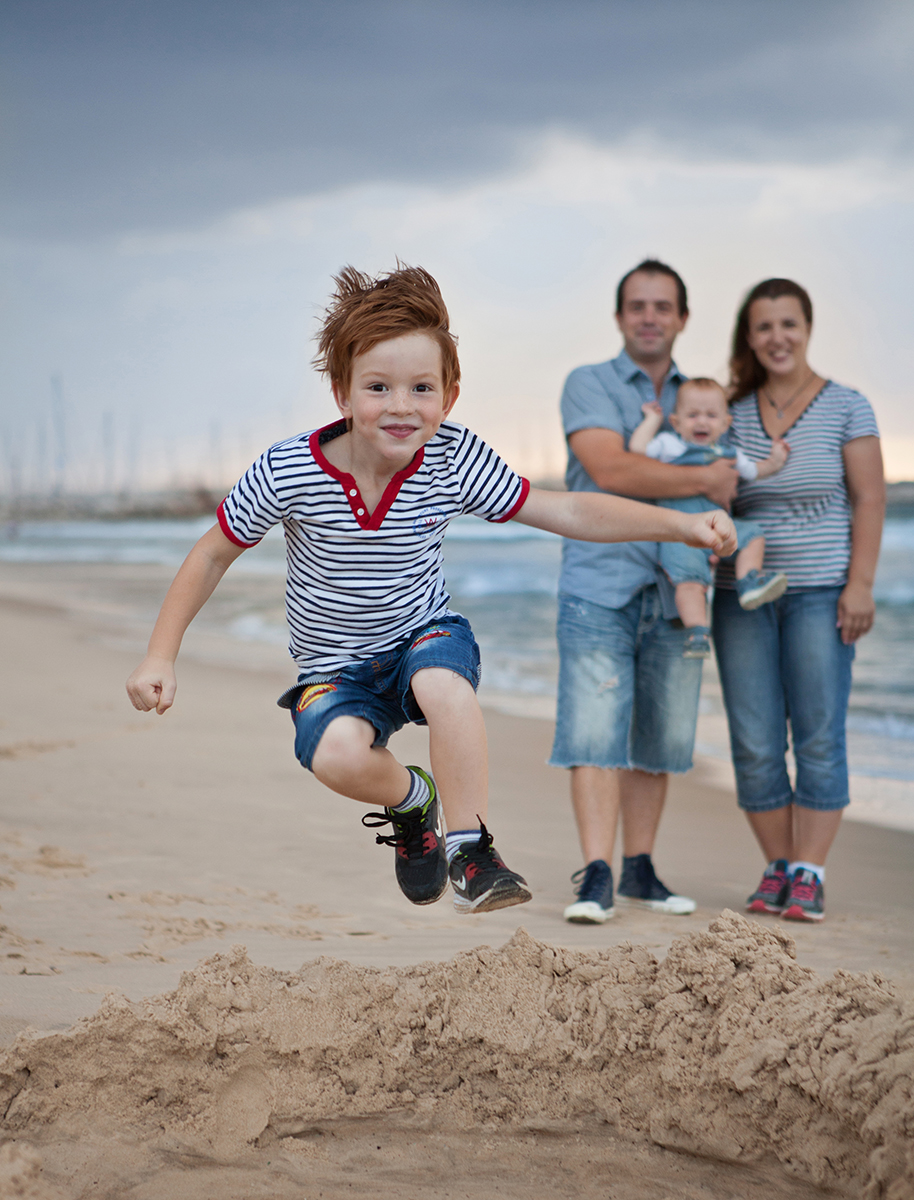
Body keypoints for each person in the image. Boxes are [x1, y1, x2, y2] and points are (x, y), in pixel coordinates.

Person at [126, 265, 736, 918]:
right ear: (342, 392)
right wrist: (160, 654)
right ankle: (415, 806)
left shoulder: (452, 457)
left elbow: (568, 512)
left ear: (449, 393)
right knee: (335, 756)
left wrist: (683, 524)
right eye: (378, 387)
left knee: (444, 686)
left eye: (422, 388)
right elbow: (214, 551)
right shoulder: (288, 470)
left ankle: (472, 849)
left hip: (423, 632)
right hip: (335, 667)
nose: (400, 406)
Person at [552, 258, 740, 925]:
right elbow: (607, 468)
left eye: (664, 306)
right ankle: (596, 872)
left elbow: (732, 480)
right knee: (594, 733)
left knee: (658, 739)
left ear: (683, 318)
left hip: (679, 589)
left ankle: (640, 869)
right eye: (638, 305)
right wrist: (701, 478)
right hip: (599, 583)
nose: (651, 316)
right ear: (619, 316)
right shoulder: (590, 383)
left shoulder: (707, 397)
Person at [712, 278, 885, 923]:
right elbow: (713, 490)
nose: (777, 337)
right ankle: (779, 867)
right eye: (764, 326)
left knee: (816, 735)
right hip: (742, 598)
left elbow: (870, 498)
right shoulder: (730, 410)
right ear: (749, 337)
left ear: (807, 328)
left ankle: (810, 872)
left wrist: (860, 585)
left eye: (789, 324)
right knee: (755, 741)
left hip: (820, 593)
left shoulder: (847, 405)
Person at [628, 377, 790, 658]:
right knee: (691, 583)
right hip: (681, 533)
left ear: (726, 423)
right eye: (692, 416)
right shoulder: (669, 444)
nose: (701, 422)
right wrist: (652, 421)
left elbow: (754, 471)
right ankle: (698, 632)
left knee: (753, 534)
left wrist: (775, 461)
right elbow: (638, 449)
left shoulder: (730, 452)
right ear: (676, 422)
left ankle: (748, 580)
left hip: (719, 528)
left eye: (711, 416)